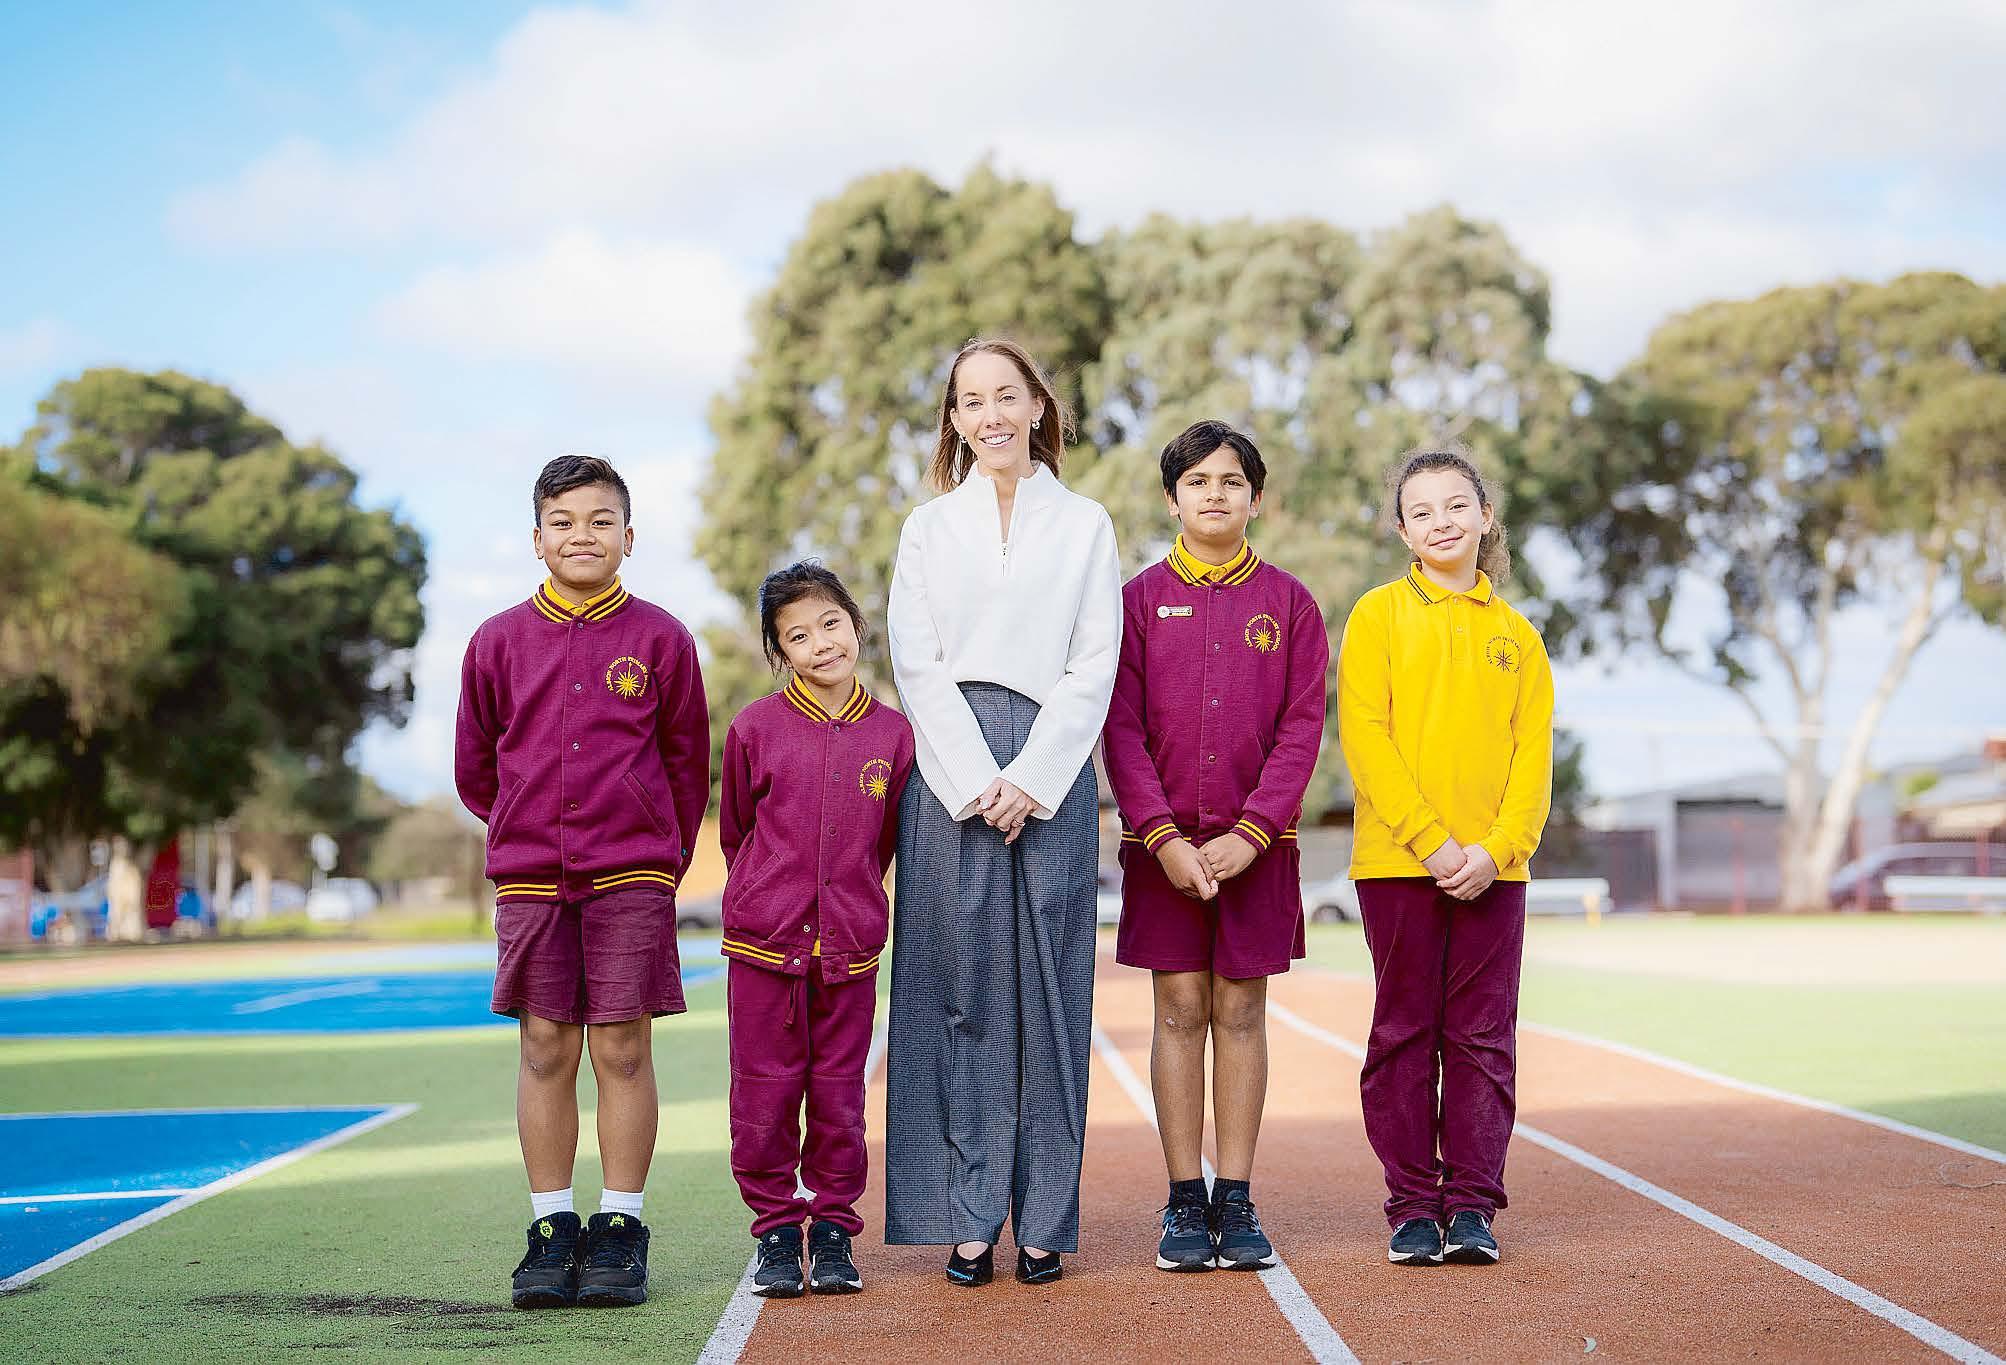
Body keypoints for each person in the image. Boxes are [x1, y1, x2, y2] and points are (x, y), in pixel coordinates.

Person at [884, 337, 1122, 1287]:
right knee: (960, 994)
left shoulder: (1087, 523)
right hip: (953, 776)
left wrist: (1033, 777)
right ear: (954, 419)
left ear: (1036, 406)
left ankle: (1045, 1218)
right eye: (971, 400)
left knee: (1054, 995)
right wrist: (980, 776)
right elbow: (915, 662)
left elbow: (1095, 659)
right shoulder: (927, 528)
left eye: (1006, 396)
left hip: (1052, 774)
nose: (990, 415)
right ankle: (968, 1213)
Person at [454, 454, 711, 1308]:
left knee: (623, 1047)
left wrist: (657, 855)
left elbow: (686, 763)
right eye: (562, 522)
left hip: (631, 874)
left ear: (629, 537)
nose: (582, 536)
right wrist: (527, 826)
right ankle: (552, 1228)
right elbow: (475, 769)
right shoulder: (495, 641)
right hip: (531, 879)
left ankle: (621, 1226)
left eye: (601, 521)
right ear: (537, 539)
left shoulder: (663, 639)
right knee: (543, 1045)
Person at [1102, 420, 1328, 1273]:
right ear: (1172, 499)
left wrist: (1253, 832)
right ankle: (1183, 1198)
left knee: (1240, 1011)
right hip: (1161, 851)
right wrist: (1162, 837)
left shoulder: (1291, 604)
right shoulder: (1134, 602)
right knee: (1177, 1010)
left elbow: (1302, 729)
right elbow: (1120, 728)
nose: (1214, 493)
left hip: (1256, 852)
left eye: (1231, 480)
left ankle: (1235, 1195)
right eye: (1197, 481)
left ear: (1256, 499)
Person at [1337, 443, 1553, 1268]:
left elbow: (1532, 762)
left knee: (1482, 1039)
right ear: (1403, 530)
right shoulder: (1377, 615)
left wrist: (1497, 850)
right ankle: (1411, 1205)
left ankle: (1470, 1204)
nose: (1441, 522)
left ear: (1485, 516)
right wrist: (1431, 843)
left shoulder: (1519, 637)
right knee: (1404, 1032)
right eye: (1421, 511)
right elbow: (1368, 738)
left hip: (1496, 874)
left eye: (1457, 505)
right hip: (1399, 866)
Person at [719, 562, 914, 1299]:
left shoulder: (894, 735)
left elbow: (884, 841)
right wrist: (772, 898)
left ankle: (832, 1226)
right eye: (798, 635)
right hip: (763, 948)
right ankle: (775, 1227)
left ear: (856, 625)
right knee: (762, 1095)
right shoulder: (753, 728)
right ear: (780, 651)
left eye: (830, 624)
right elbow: (738, 830)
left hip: (851, 952)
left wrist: (847, 904)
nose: (821, 643)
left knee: (839, 1098)